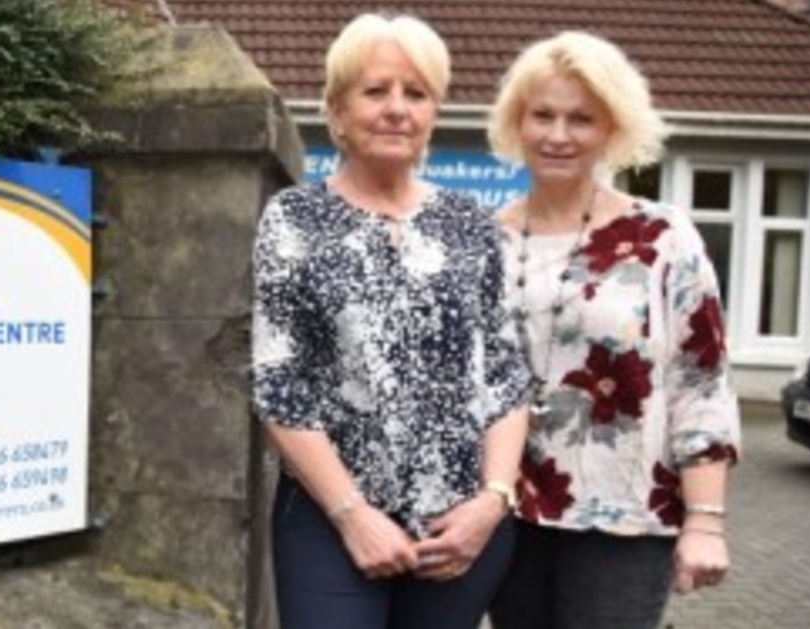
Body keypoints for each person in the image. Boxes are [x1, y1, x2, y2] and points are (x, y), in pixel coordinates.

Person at [252, 13, 532, 629]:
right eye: (375, 91)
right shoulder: (294, 219)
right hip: (330, 523)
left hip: (459, 528)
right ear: (336, 111)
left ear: (434, 111)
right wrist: (353, 515)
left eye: (416, 93)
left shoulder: (472, 225)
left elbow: (508, 378)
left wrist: (493, 501)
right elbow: (280, 384)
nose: (397, 109)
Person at [483, 31, 742, 629]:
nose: (558, 135)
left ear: (612, 130)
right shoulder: (484, 240)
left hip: (626, 515)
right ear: (516, 121)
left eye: (582, 119)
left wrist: (705, 520)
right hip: (507, 515)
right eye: (542, 114)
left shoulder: (662, 237)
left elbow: (701, 380)